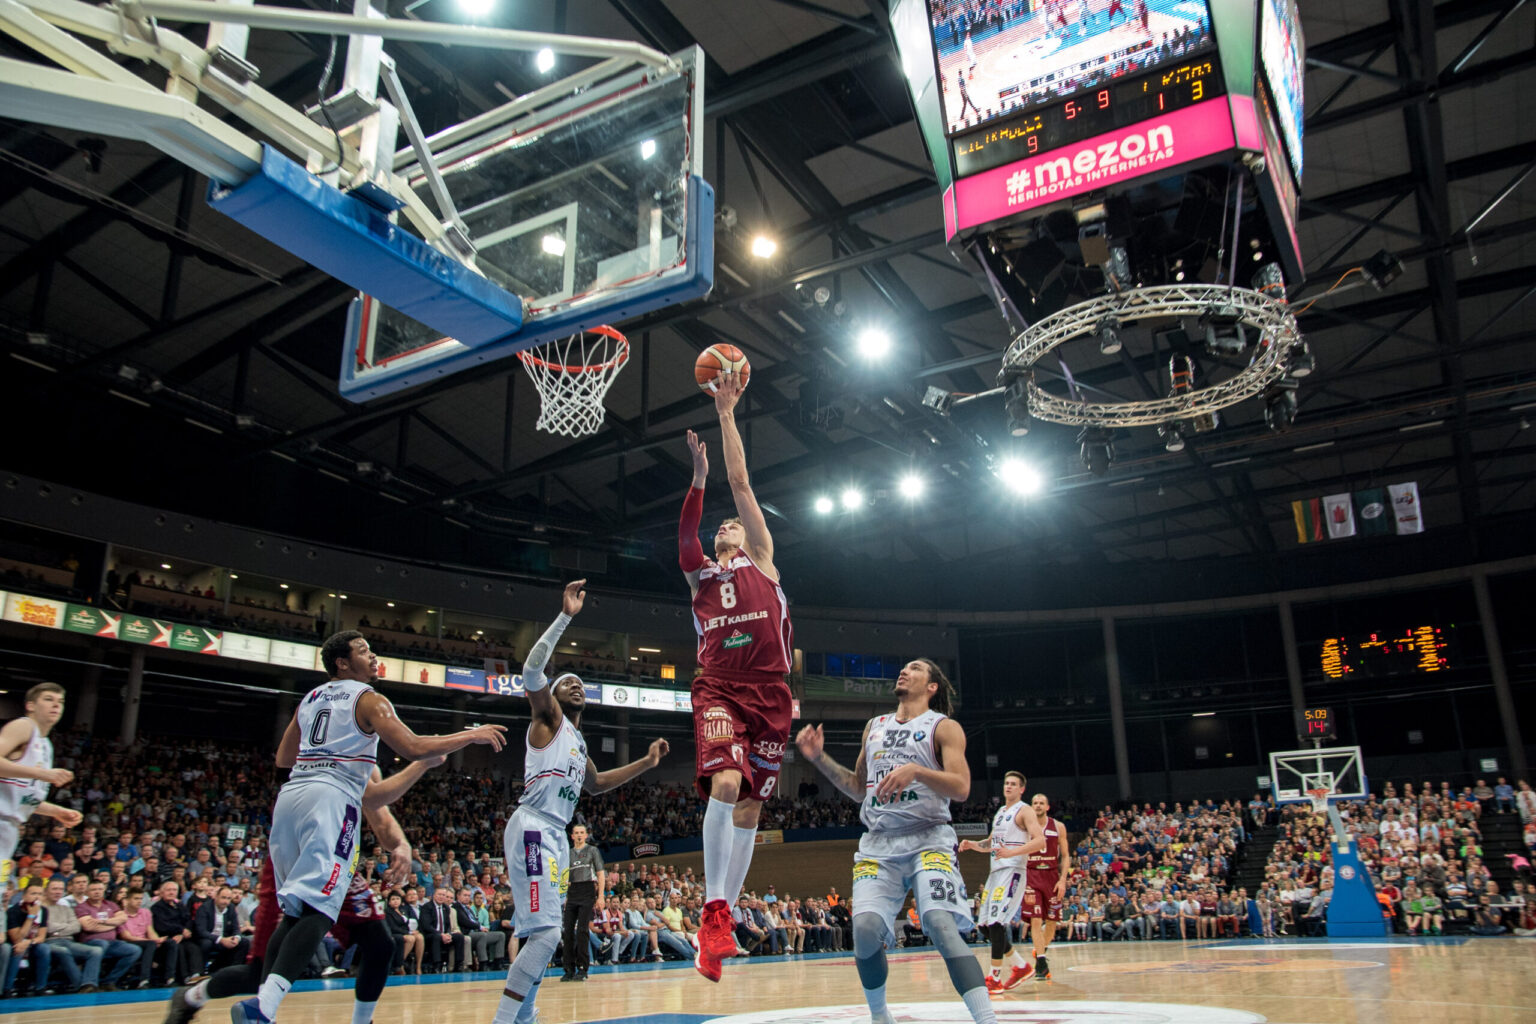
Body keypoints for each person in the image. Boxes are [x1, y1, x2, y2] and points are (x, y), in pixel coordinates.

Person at [229, 630, 505, 1024]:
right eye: (363, 651)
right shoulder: (369, 699)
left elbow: (283, 757)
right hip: (330, 801)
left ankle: (265, 1002)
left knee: (296, 911)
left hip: (291, 798)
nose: (373, 657)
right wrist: (470, 735)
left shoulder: (309, 698)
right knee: (320, 908)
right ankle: (263, 1008)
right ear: (342, 662)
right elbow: (412, 746)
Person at [492, 580, 669, 1024]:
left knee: (541, 935)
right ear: (553, 695)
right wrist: (566, 616)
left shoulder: (577, 740)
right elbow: (532, 672)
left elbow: (596, 784)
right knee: (549, 933)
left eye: (580, 684)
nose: (576, 686)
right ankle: (504, 1020)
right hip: (533, 824)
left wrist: (646, 763)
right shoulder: (547, 718)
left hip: (553, 835)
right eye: (567, 682)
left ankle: (525, 1017)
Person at [163, 755, 441, 1024]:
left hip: (337, 856)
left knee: (380, 944)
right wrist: (426, 758)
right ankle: (191, 997)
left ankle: (361, 1020)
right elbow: (286, 757)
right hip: (296, 854)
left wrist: (402, 844)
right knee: (260, 971)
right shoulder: (335, 735)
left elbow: (379, 814)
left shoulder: (366, 756)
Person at [797, 659, 997, 1024]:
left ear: (932, 686)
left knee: (938, 923)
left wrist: (917, 771)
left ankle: (987, 1019)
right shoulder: (875, 726)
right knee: (865, 930)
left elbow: (962, 787)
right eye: (904, 668)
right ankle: (880, 1017)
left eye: (916, 668)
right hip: (879, 843)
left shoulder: (943, 727)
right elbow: (859, 789)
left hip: (929, 838)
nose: (904, 671)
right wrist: (818, 758)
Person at [679, 374, 797, 984]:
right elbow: (683, 537)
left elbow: (743, 481)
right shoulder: (699, 575)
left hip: (772, 691)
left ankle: (722, 923)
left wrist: (728, 417)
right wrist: (698, 483)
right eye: (721, 525)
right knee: (726, 782)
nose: (728, 525)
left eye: (732, 523)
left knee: (752, 809)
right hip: (719, 685)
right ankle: (713, 912)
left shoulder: (764, 557)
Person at [958, 770, 1044, 990]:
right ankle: (1020, 966)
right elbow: (991, 843)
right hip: (995, 872)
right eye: (1007, 783)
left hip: (1012, 870)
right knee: (984, 926)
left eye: (1014, 784)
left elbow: (1040, 842)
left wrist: (1013, 853)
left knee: (997, 923)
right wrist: (973, 845)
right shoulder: (999, 812)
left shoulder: (1024, 811)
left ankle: (994, 977)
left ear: (1021, 789)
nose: (1009, 787)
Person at [1, 682, 80, 892]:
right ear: (30, 705)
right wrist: (42, 773)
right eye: (48, 699)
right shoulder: (24, 726)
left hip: (9, 828)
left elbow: (22, 796)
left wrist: (56, 811)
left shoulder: (46, 745)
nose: (56, 706)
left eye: (60, 702)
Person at [1023, 792, 1071, 979]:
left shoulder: (1058, 827)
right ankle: (1041, 962)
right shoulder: (1024, 827)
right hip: (1032, 875)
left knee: (1052, 922)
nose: (1038, 805)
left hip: (1051, 876)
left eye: (1041, 803)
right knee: (1035, 919)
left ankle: (1040, 950)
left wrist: (1062, 880)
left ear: (1047, 807)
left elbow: (1065, 856)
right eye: (1035, 803)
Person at [559, 823, 604, 982]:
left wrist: (600, 897)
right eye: (576, 832)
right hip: (572, 892)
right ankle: (568, 969)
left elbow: (600, 874)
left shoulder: (592, 851)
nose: (579, 835)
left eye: (582, 832)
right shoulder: (567, 853)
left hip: (587, 890)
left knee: (583, 930)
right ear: (571, 836)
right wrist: (563, 895)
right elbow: (563, 875)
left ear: (586, 835)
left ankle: (583, 968)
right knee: (568, 931)